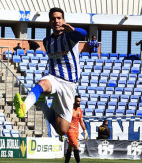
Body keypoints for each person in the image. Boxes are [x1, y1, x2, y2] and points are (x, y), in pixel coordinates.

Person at [14, 8, 87, 137]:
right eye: (53, 19)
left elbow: (84, 33)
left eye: (59, 18)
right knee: (41, 84)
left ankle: (41, 102)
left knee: (62, 130)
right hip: (54, 78)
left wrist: (73, 30)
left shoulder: (70, 36)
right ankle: (23, 107)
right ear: (50, 22)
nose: (56, 21)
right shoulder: (47, 41)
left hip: (69, 84)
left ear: (63, 20)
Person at [63, 95, 88, 163]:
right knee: (76, 146)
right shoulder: (70, 109)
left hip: (76, 131)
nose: (79, 103)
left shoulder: (80, 110)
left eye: (80, 101)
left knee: (70, 148)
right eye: (77, 101)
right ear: (74, 101)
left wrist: (85, 131)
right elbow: (64, 119)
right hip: (70, 130)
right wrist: (62, 132)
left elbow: (81, 121)